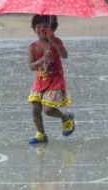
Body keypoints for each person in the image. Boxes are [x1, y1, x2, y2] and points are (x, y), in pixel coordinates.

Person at [27, 14, 75, 144]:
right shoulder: (32, 46)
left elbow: (64, 55)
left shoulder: (56, 41)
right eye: (38, 26)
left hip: (55, 81)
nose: (42, 29)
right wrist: (43, 59)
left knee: (48, 110)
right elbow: (31, 66)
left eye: (46, 26)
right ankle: (41, 134)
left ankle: (65, 116)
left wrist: (53, 40)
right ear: (33, 29)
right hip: (40, 82)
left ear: (52, 28)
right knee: (35, 108)